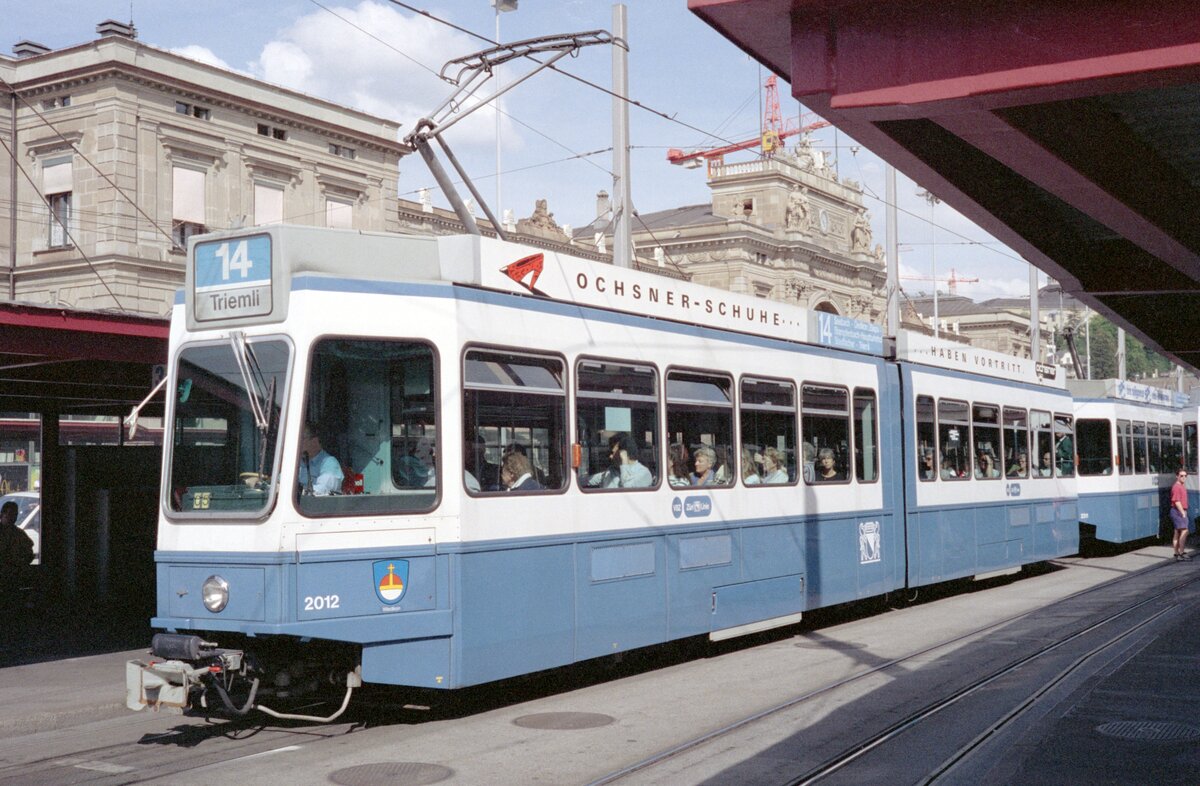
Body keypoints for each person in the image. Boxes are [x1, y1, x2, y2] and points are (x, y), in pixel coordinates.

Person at [0, 501, 34, 608]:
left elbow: (29, 553)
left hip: (12, 574)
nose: (13, 518)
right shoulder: (18, 534)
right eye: (10, 514)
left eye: (15, 515)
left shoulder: (19, 534)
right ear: (2, 514)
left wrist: (19, 564)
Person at [588, 433, 653, 488]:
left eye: (613, 453)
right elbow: (588, 481)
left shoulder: (643, 473)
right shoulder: (611, 471)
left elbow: (626, 488)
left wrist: (624, 462)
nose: (610, 457)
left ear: (623, 453)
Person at [298, 422, 343, 495]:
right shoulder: (296, 462)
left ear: (315, 441)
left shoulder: (329, 463)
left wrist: (296, 492)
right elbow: (279, 483)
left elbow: (324, 489)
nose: (297, 443)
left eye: (301, 439)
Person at [1171, 469, 1191, 561]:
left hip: (1177, 511)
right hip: (1178, 511)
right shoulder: (1177, 487)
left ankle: (1177, 553)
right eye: (1181, 476)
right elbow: (1176, 501)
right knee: (1184, 531)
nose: (1183, 477)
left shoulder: (1181, 486)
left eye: (1185, 476)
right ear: (1177, 476)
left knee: (1177, 532)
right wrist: (1183, 512)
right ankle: (1181, 552)